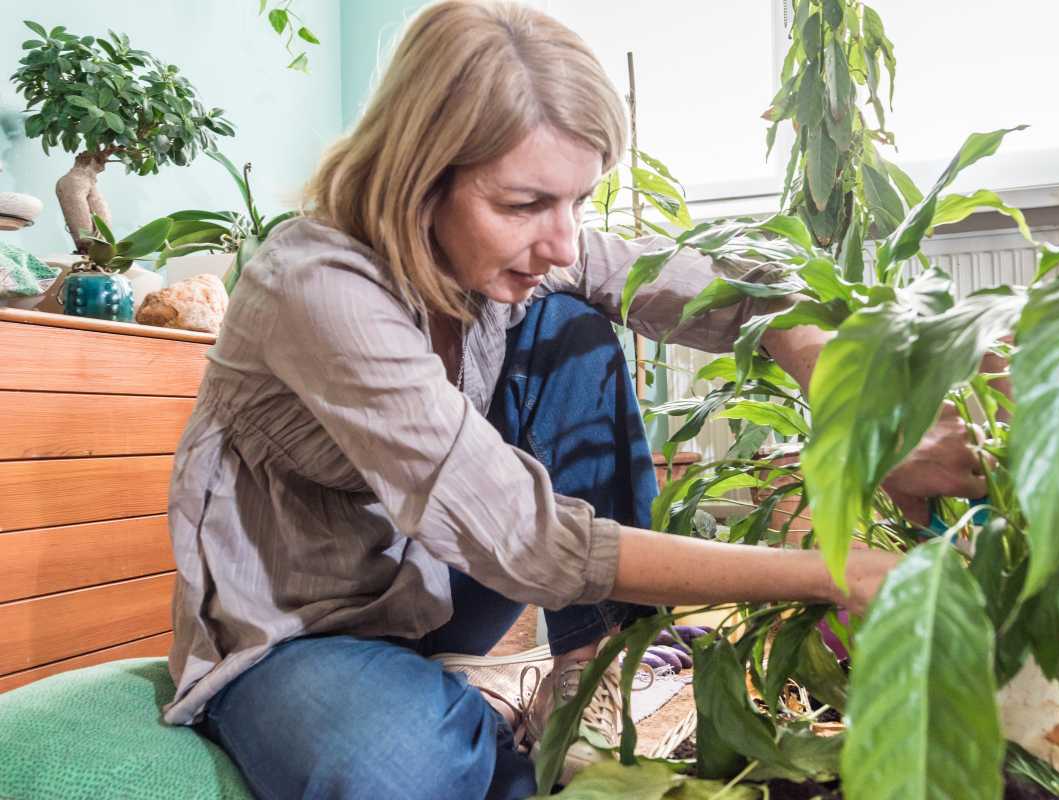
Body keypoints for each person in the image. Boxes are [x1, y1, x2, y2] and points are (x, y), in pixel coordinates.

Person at [162, 2, 989, 798]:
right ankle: (469, 726)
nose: (561, 240)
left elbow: (713, 290)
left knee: (570, 326)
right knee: (397, 766)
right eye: (524, 204)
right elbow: (527, 538)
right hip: (300, 631)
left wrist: (853, 401)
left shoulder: (506, 252)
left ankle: (585, 673)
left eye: (578, 201)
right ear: (418, 179)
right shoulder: (317, 286)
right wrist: (828, 575)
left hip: (438, 592)